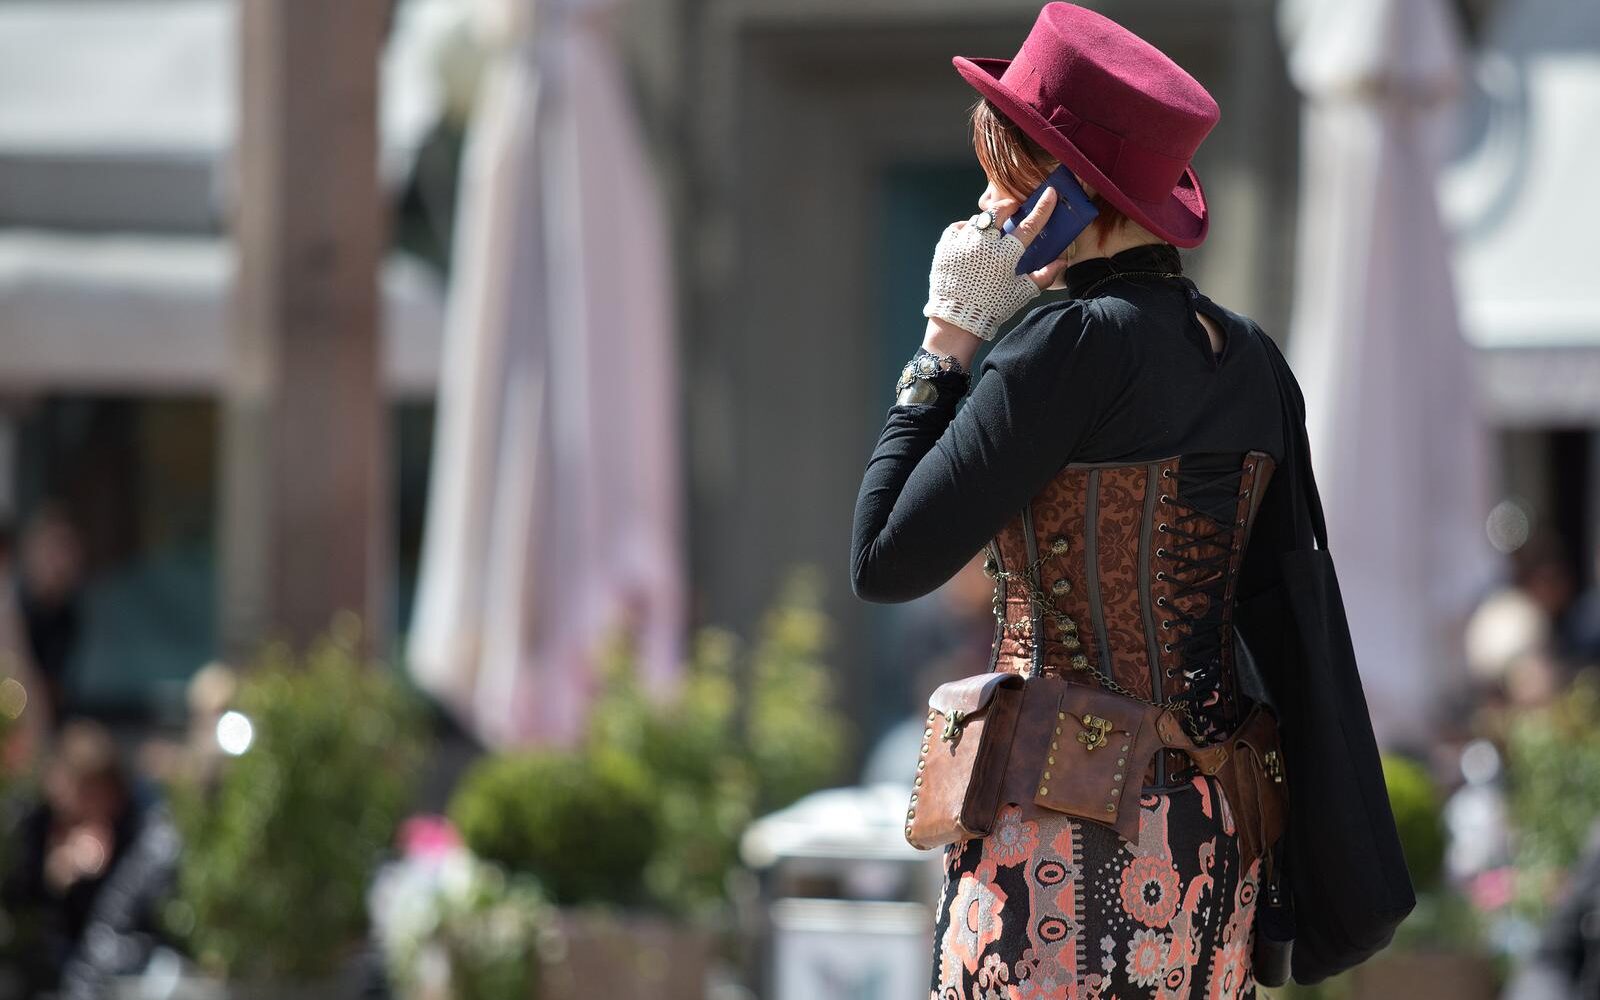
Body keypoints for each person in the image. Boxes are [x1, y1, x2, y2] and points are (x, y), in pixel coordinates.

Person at [849, 5, 1301, 996]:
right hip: (1215, 839)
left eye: (1001, 173)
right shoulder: (1252, 361)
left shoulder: (1064, 347)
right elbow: (1279, 610)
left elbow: (884, 557)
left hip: (1058, 832)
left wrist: (945, 340)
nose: (983, 204)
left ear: (1063, 186)